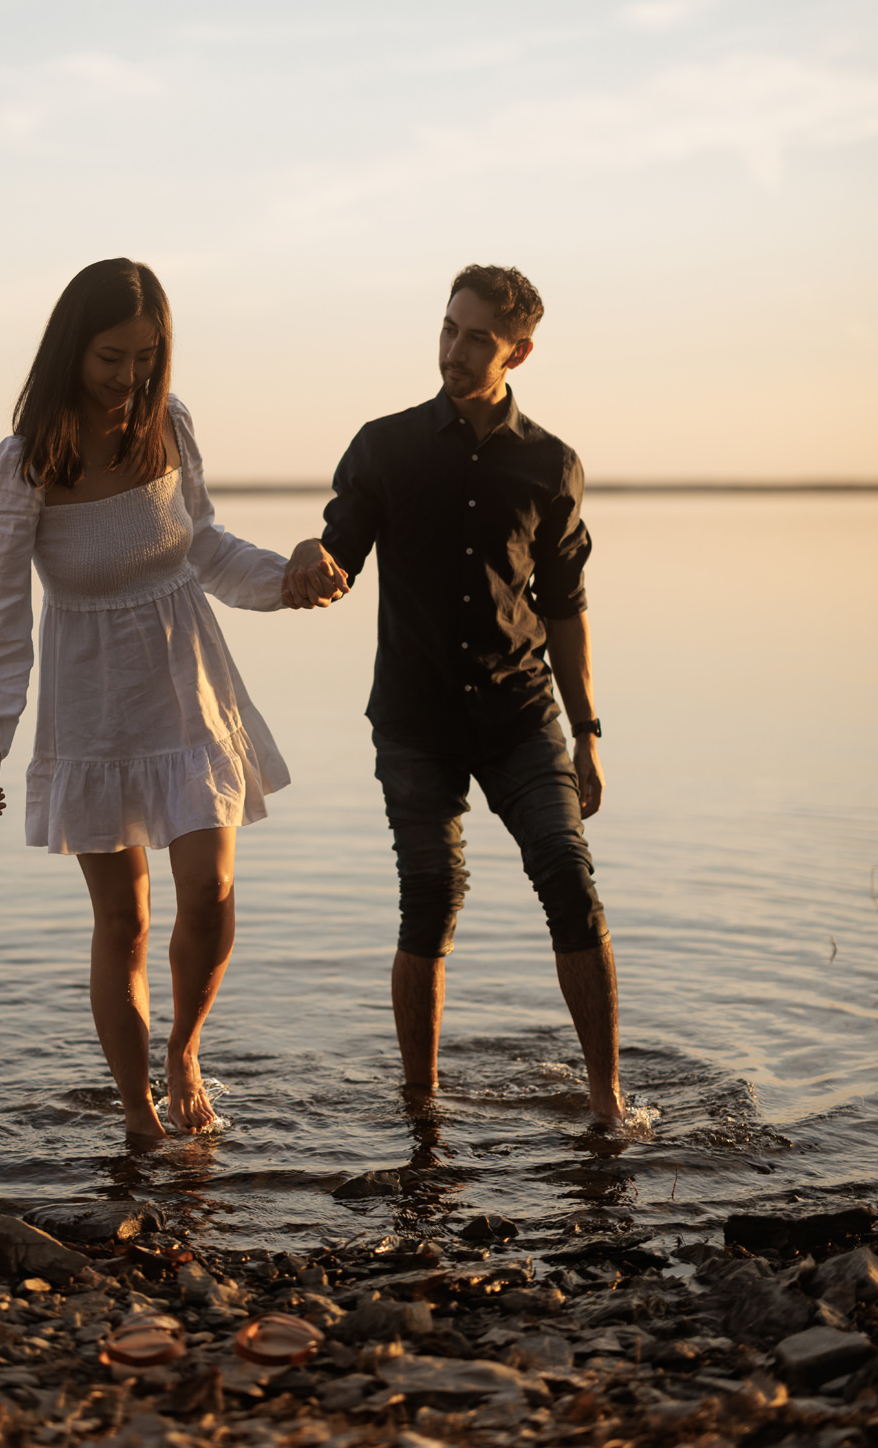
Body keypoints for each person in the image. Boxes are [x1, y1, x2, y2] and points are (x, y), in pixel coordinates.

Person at [0, 259, 329, 1141]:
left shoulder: (171, 427)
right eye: (111, 358)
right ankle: (136, 1115)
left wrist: (289, 581)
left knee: (212, 891)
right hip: (91, 703)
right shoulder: (21, 467)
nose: (129, 378)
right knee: (122, 920)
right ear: (70, 351)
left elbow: (204, 544)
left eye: (146, 358)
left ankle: (184, 1051)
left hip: (187, 683)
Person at [284, 265, 626, 1125]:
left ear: (519, 349)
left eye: (478, 336)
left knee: (570, 880)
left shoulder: (552, 465)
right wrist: (310, 562)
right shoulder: (384, 446)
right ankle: (423, 1104)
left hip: (522, 713)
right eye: (448, 328)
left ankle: (607, 1100)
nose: (456, 349)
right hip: (416, 720)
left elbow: (566, 606)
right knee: (430, 894)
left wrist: (588, 731)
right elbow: (339, 561)